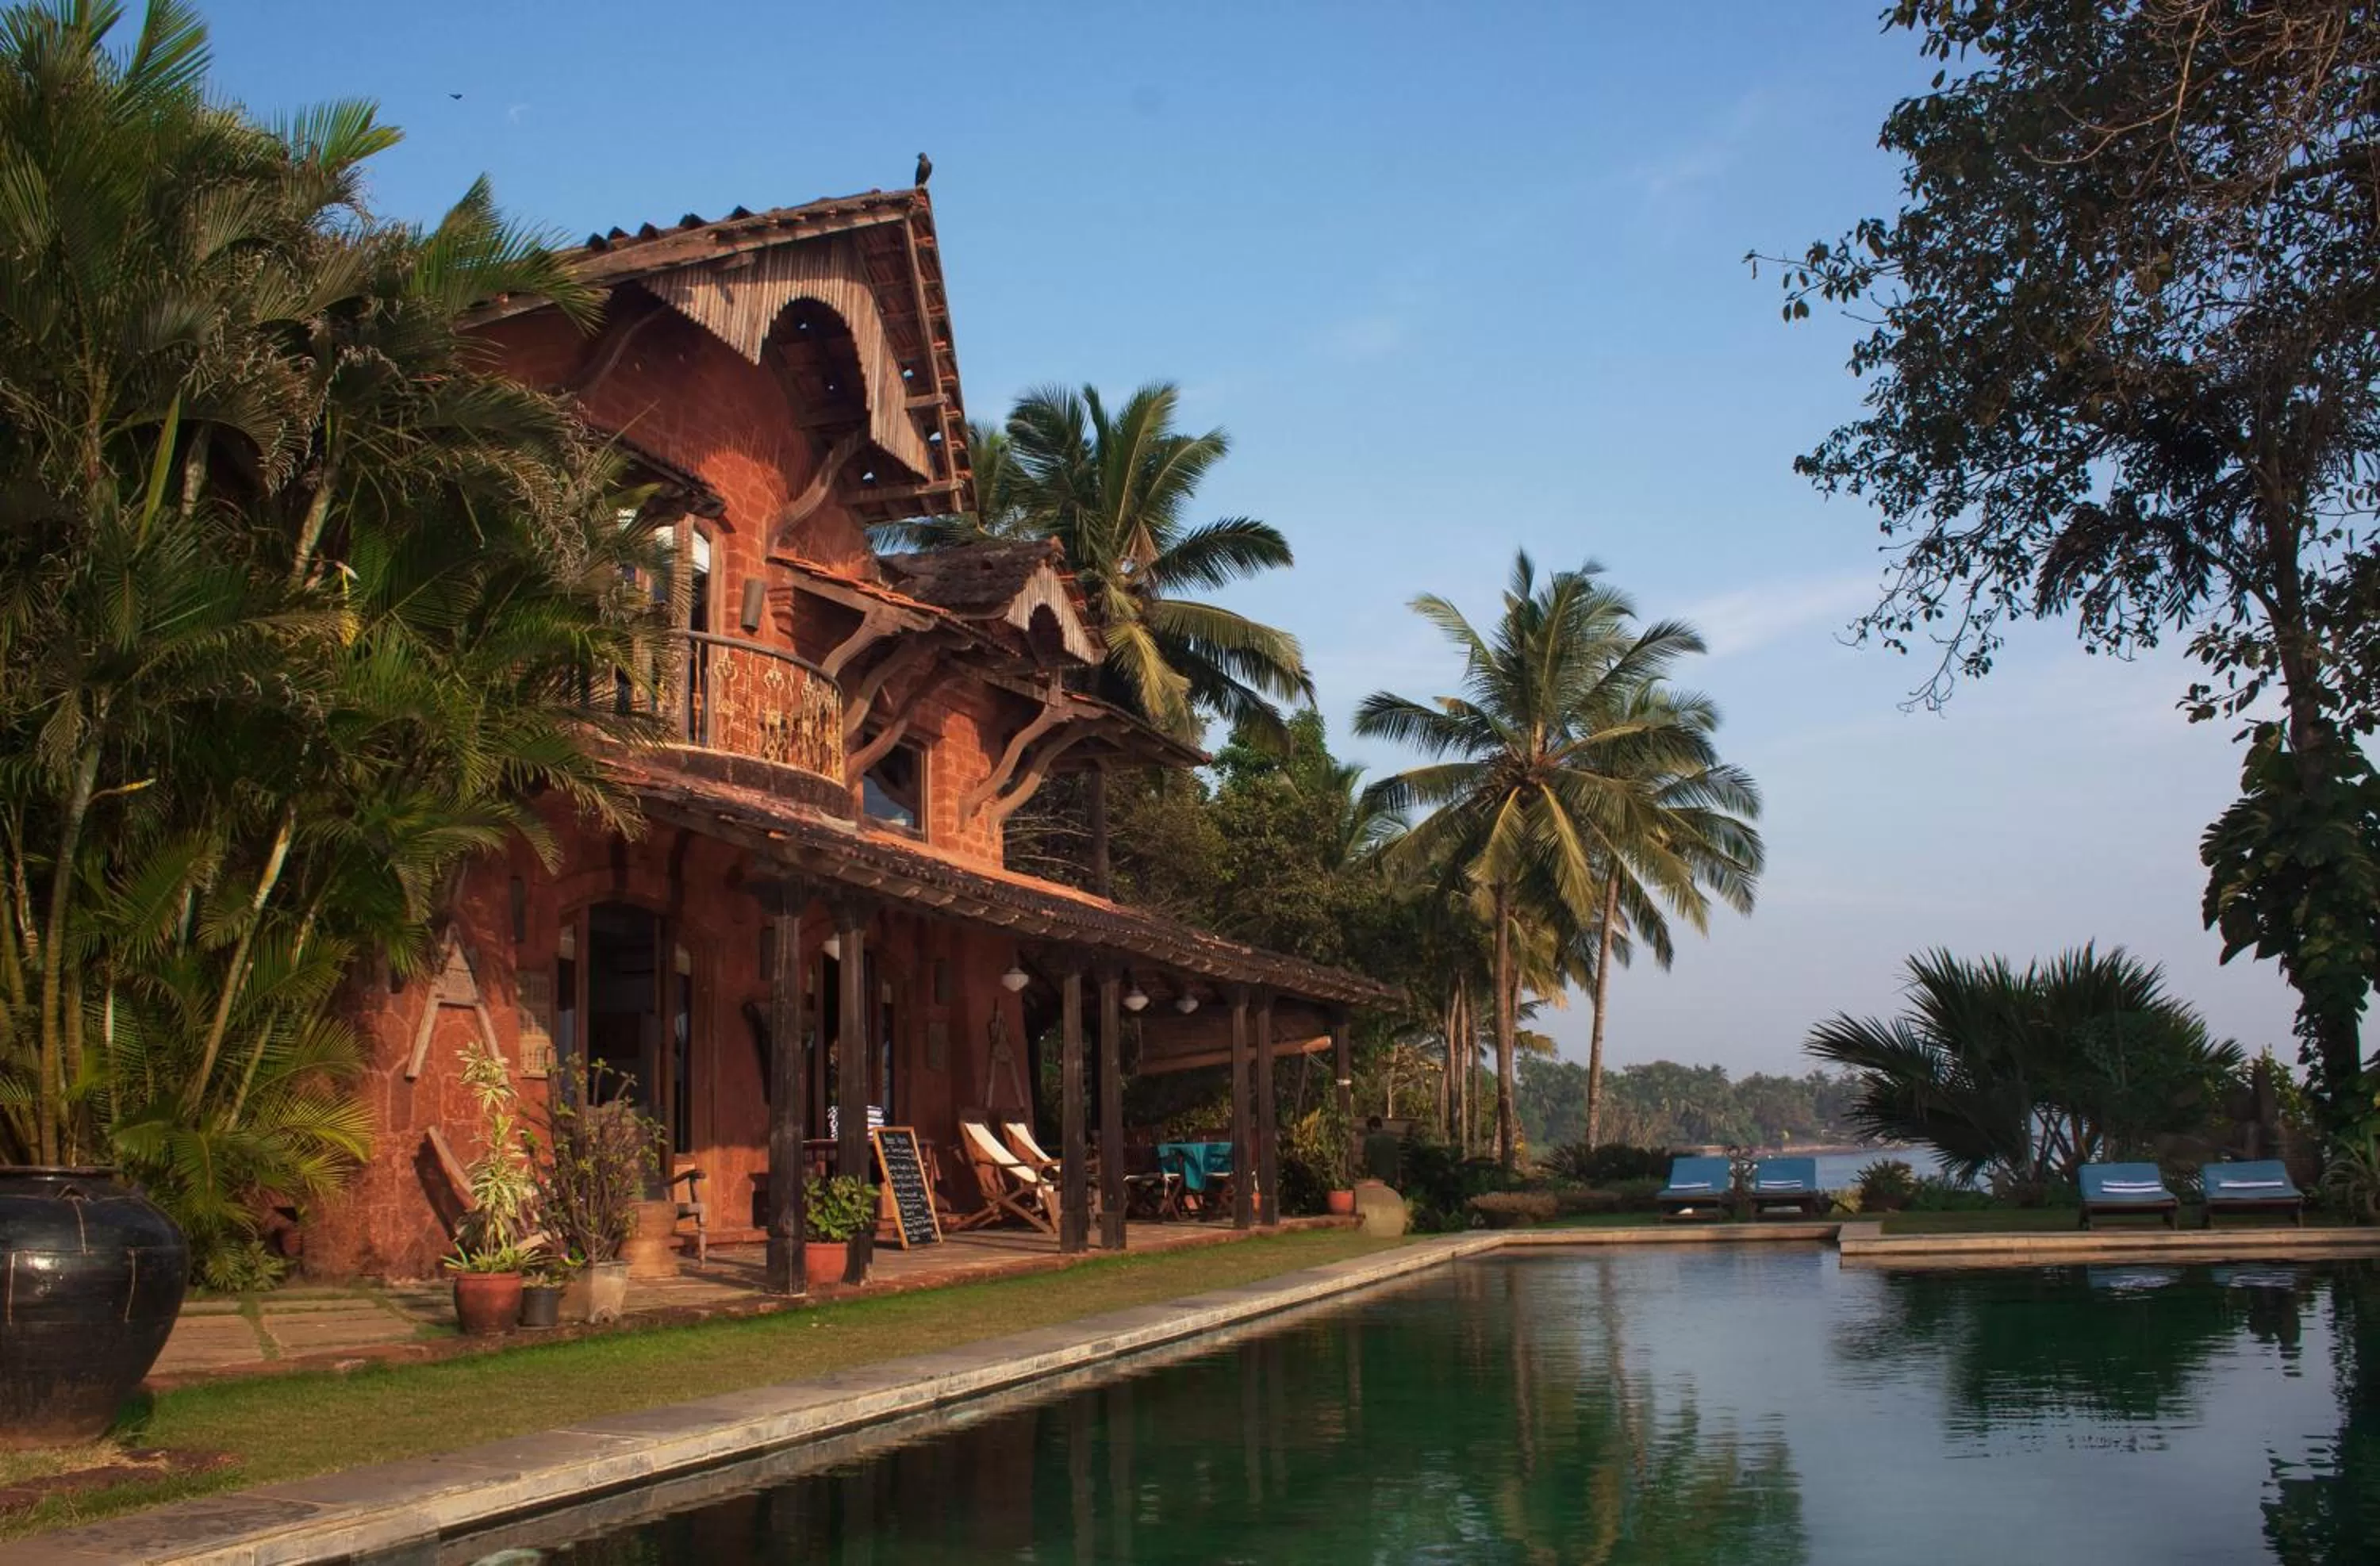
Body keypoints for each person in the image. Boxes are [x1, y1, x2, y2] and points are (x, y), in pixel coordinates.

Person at [1361, 1115, 1402, 1185]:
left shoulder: (1370, 1140)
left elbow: (1367, 1160)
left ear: (1372, 1127)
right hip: (1391, 1178)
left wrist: (1365, 1177)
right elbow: (1397, 1161)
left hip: (1376, 1178)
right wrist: (1399, 1178)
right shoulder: (1393, 1140)